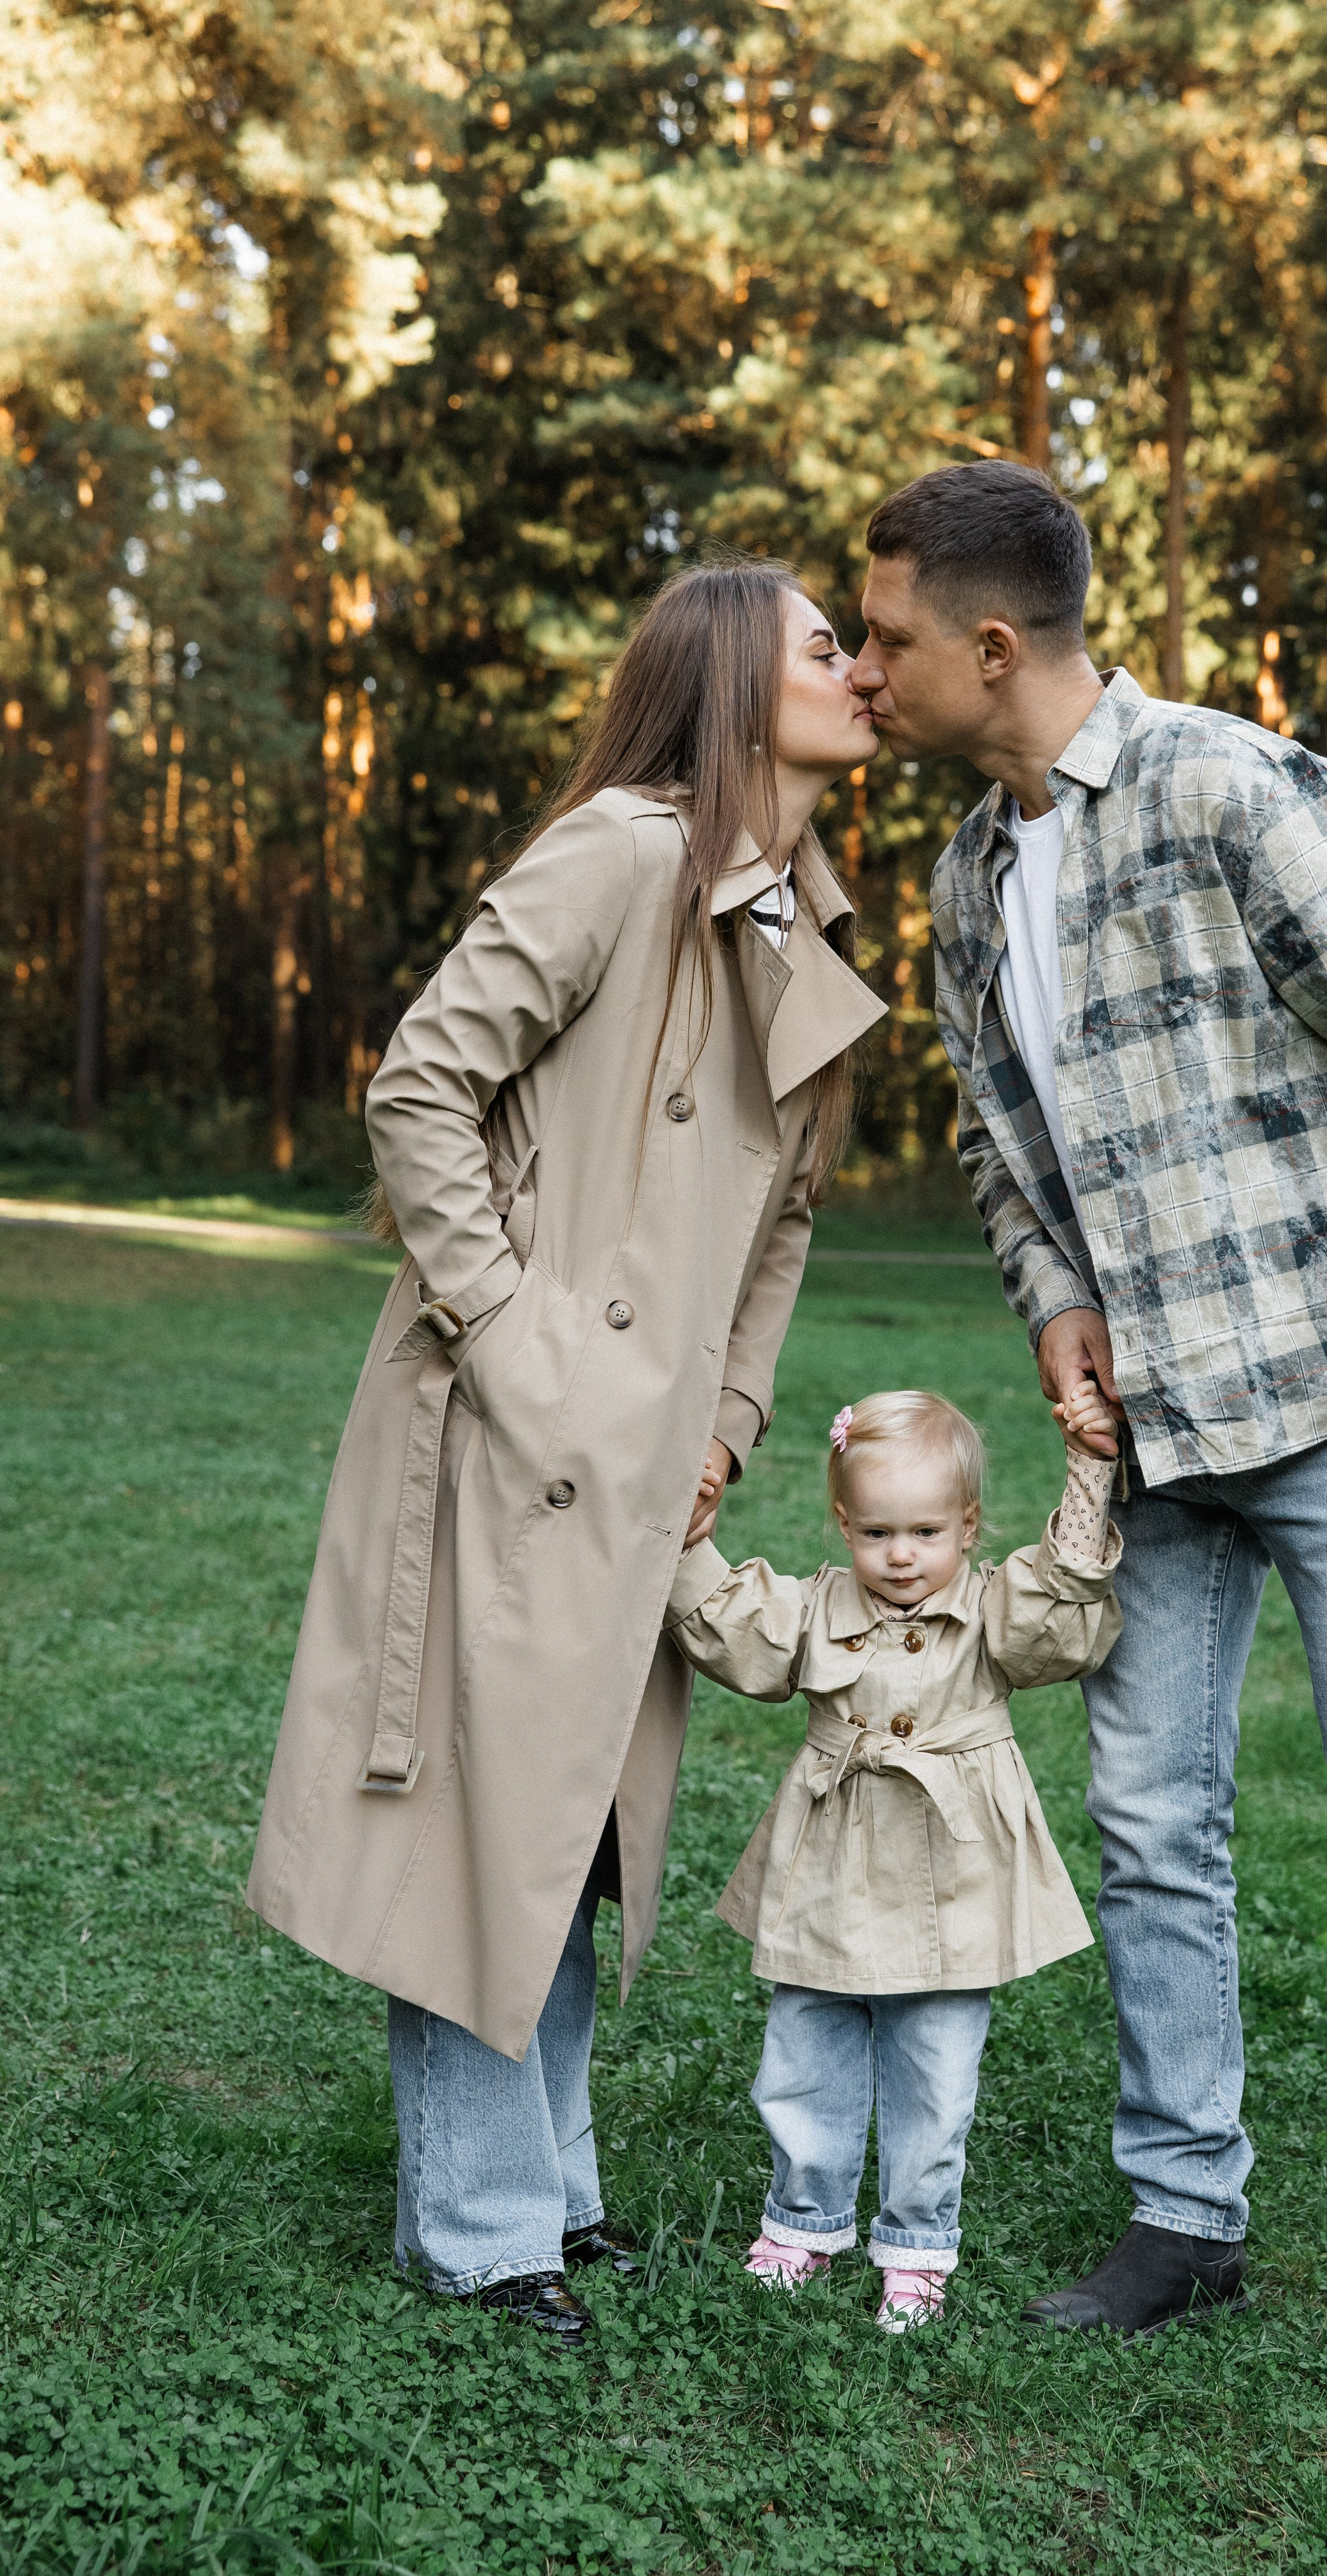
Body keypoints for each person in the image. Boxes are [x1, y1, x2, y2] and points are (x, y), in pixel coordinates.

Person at [849, 462, 1327, 2462]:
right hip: (1142, 1438)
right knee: (1149, 1824)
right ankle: (1184, 2214)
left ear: (993, 645)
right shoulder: (972, 874)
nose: (865, 667)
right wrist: (1052, 1300)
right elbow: (1002, 1140)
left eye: (887, 635)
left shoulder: (1244, 785)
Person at [246, 561, 886, 2344]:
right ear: (731, 680)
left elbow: (785, 1224)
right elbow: (419, 1088)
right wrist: (527, 1345)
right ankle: (478, 2221)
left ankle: (556, 2184)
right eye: (824, 639)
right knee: (483, 1816)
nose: (856, 665)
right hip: (507, 1432)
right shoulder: (618, 850)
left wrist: (728, 1421)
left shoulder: (800, 921)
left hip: (648, 1454)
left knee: (580, 1830)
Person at [662, 1386, 1121, 2330]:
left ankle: (916, 2244)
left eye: (925, 1532)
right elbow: (733, 1628)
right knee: (805, 2047)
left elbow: (1062, 1621)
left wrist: (1090, 1472)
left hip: (952, 1877)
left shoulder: (995, 1606)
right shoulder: (817, 1607)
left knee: (937, 2068)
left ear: (967, 1524)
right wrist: (686, 1536)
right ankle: (804, 2219)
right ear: (842, 1524)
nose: (902, 1556)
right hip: (832, 1862)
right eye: (876, 1534)